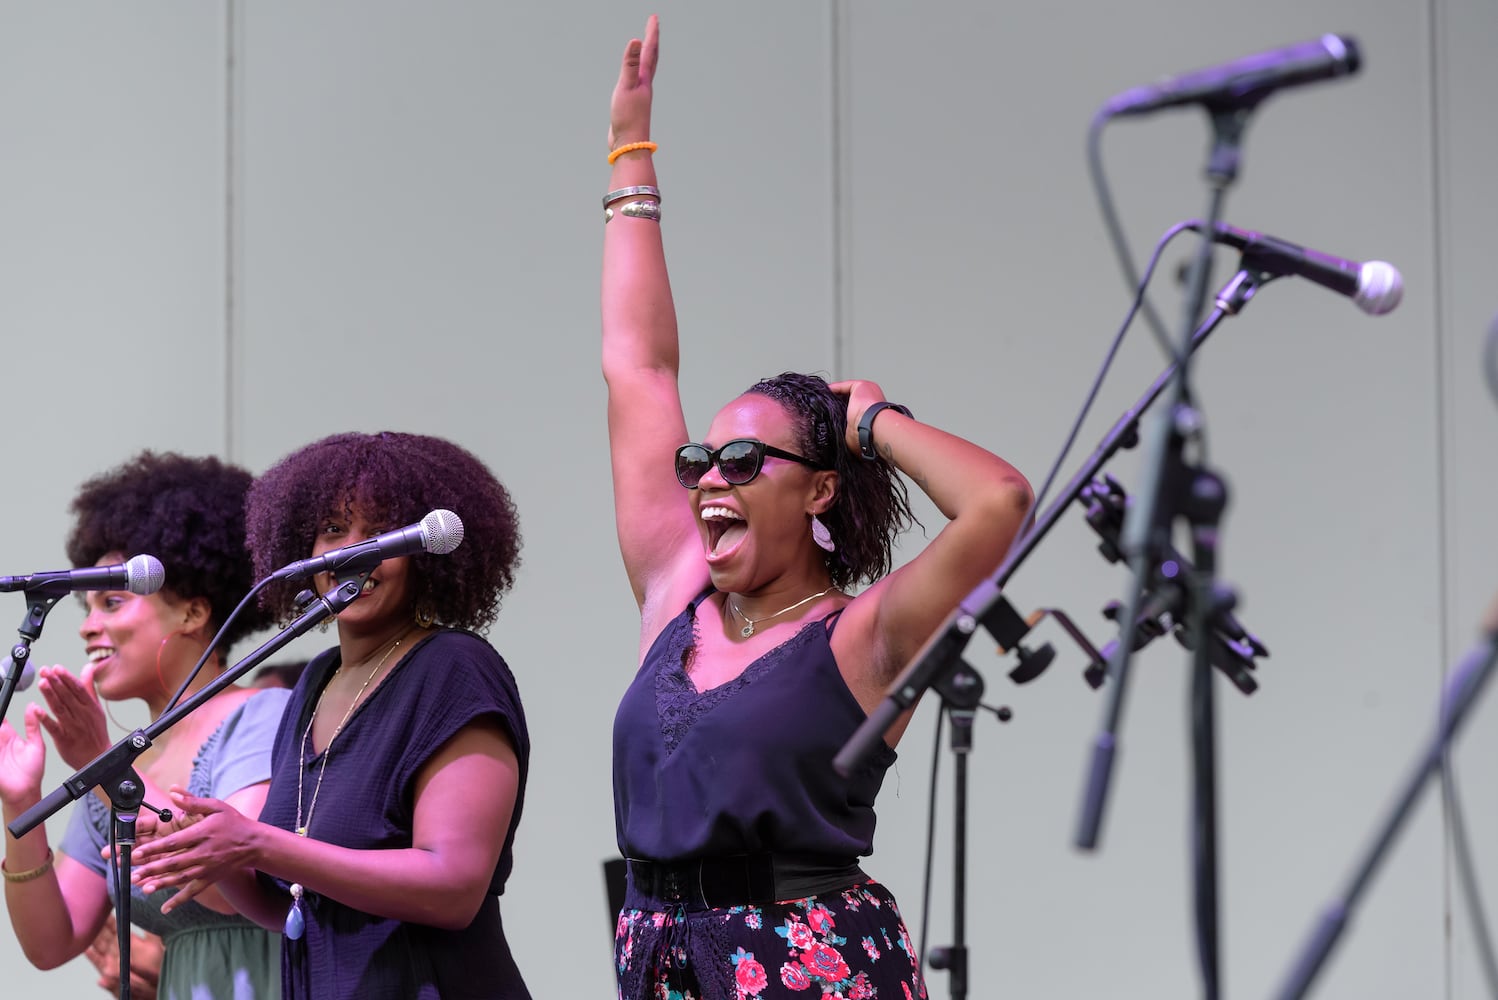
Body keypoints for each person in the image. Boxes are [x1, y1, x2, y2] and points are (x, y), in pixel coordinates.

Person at [602, 17, 1034, 999]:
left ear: (820, 487)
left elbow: (999, 501)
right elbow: (638, 365)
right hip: (659, 961)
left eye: (747, 460)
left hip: (807, 967)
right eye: (704, 459)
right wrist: (631, 153)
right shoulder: (677, 593)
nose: (712, 476)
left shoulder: (864, 635)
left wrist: (873, 421)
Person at [128, 431, 531, 1000]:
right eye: (334, 531)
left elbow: (453, 886)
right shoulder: (315, 682)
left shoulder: (454, 669)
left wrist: (256, 844)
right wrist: (213, 852)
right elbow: (284, 906)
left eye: (380, 532)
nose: (353, 550)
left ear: (423, 553)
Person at [0, 451, 287, 998]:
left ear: (193, 613)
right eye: (86, 609)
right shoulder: (116, 764)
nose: (89, 628)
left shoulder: (264, 715)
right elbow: (49, 943)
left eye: (112, 602)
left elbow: (237, 890)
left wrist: (97, 764)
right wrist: (20, 802)